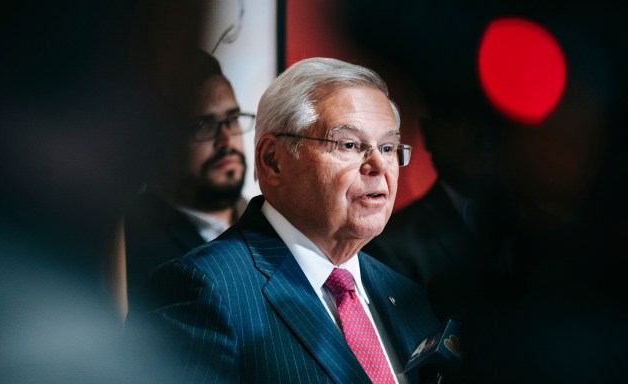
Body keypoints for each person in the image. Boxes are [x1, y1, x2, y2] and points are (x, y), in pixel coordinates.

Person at [133, 57, 446, 383]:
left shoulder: (407, 295)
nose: (379, 165)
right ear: (273, 161)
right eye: (350, 144)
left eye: (388, 146)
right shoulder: (204, 290)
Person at [114, 49, 253, 319]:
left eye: (233, 120)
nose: (227, 141)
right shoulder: (128, 245)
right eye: (203, 125)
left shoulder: (272, 224)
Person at [361, 95, 513, 323]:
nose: (483, 135)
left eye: (495, 120)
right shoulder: (388, 246)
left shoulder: (548, 229)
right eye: (466, 119)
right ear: (430, 133)